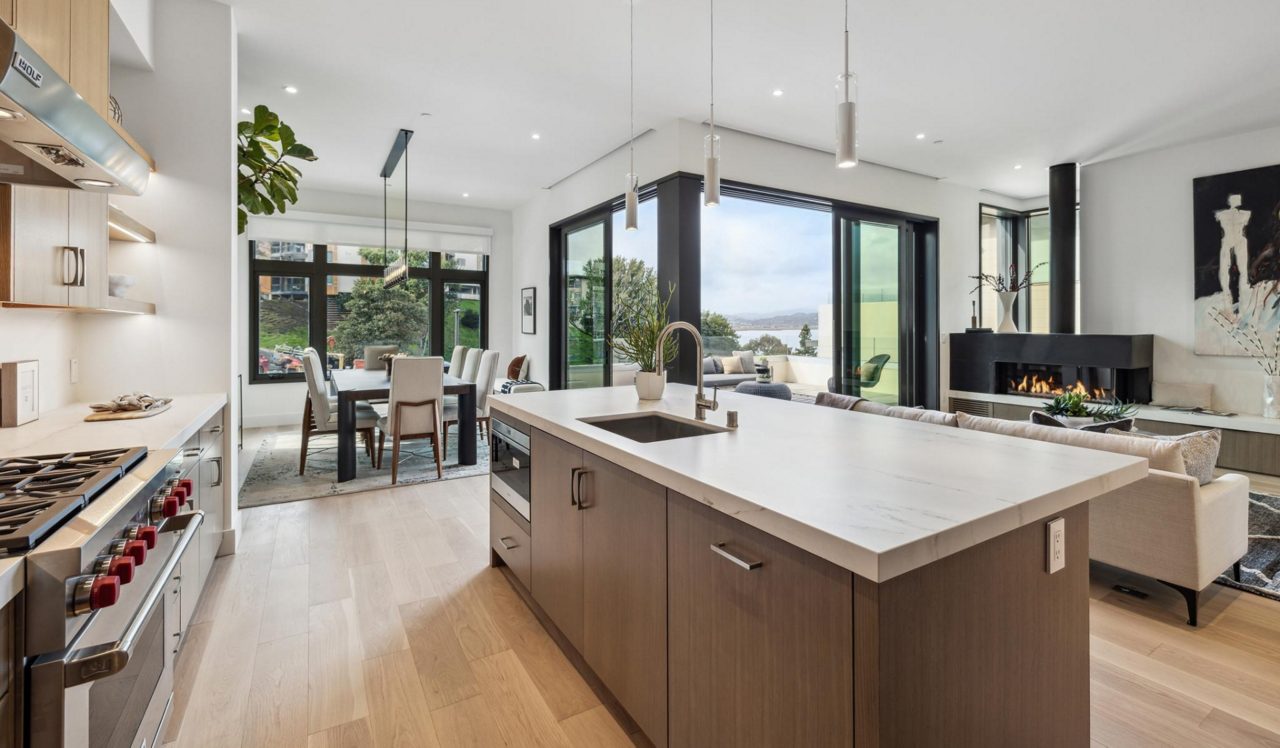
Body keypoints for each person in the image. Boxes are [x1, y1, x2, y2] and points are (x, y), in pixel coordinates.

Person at [1215, 193, 1251, 303]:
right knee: (1236, 269)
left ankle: (1231, 293)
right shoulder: (1245, 214)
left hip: (1232, 240)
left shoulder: (1221, 214)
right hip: (1235, 240)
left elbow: (1222, 232)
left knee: (1230, 269)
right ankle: (1230, 293)